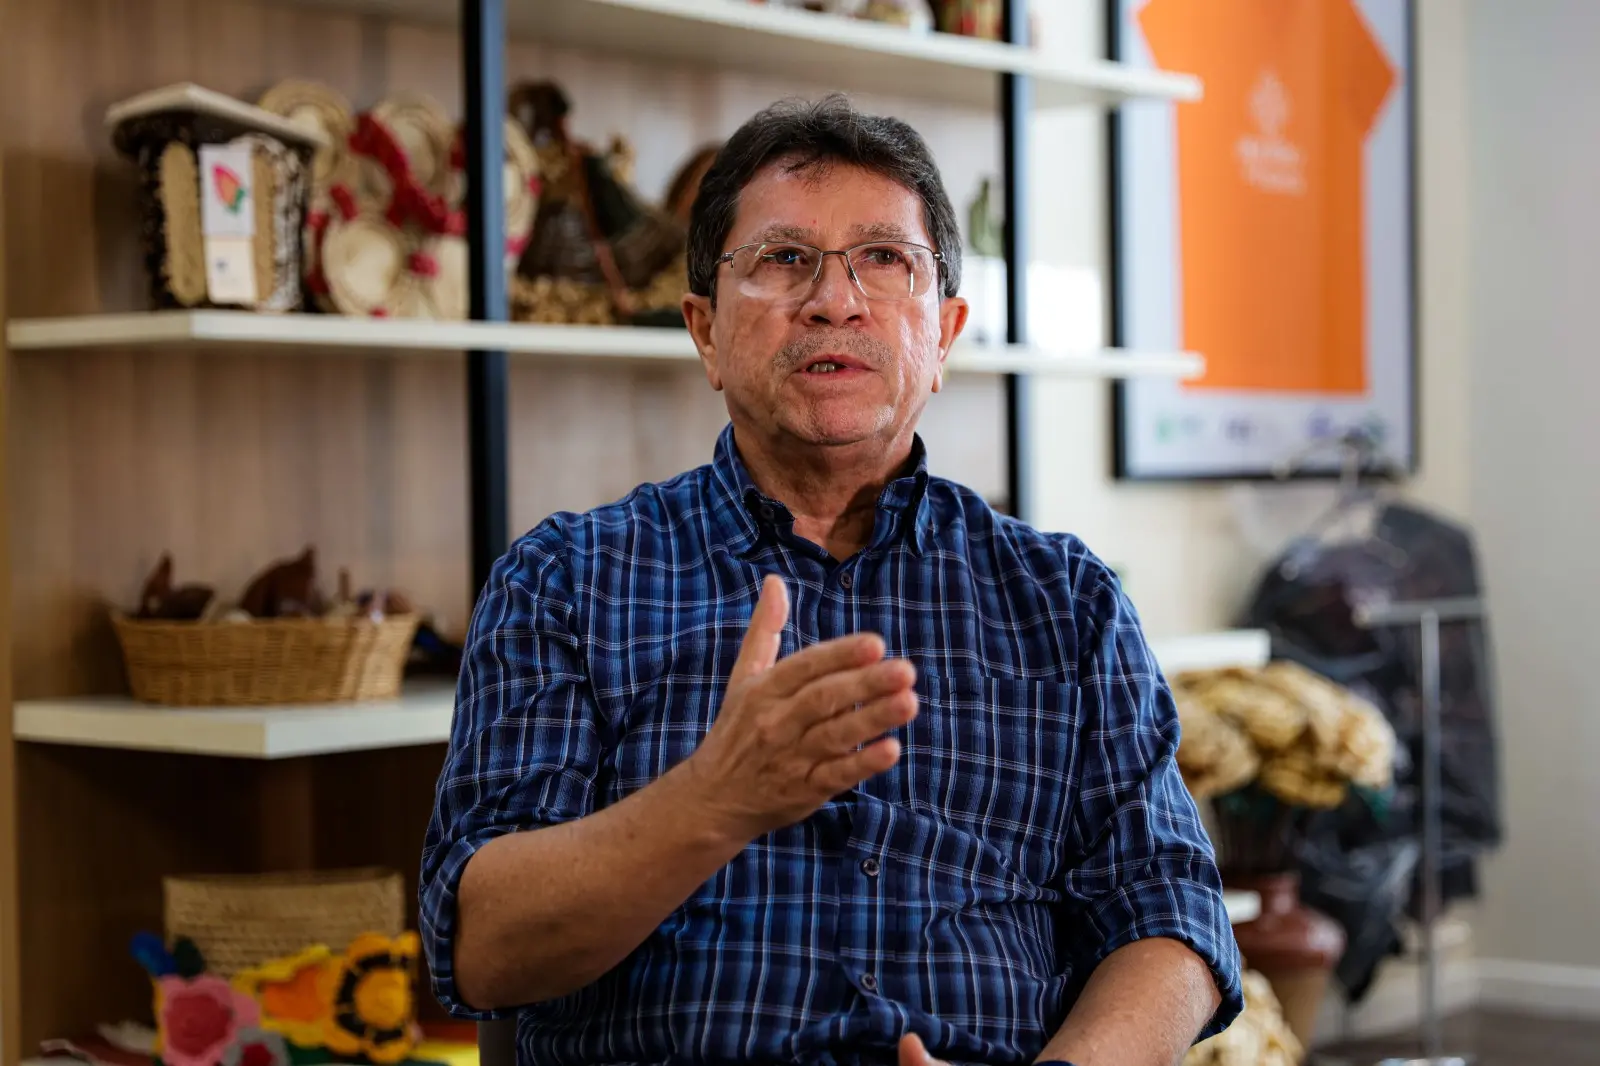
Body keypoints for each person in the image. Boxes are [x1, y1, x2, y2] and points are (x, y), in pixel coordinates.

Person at [420, 93, 1243, 1066]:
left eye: (884, 259)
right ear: (705, 331)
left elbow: (1173, 916)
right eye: (782, 259)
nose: (835, 300)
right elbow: (482, 952)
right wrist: (712, 801)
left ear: (944, 334)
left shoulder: (1066, 602)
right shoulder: (565, 580)